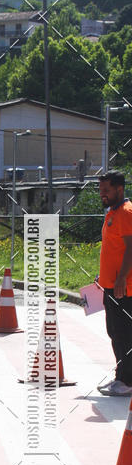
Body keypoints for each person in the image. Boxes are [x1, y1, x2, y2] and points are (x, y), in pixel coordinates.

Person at [97, 170, 132, 396]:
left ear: (120, 189)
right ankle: (121, 377)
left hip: (123, 287)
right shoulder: (113, 212)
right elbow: (113, 250)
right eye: (100, 190)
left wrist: (121, 278)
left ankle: (127, 381)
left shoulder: (126, 213)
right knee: (115, 332)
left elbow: (131, 247)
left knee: (124, 334)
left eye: (106, 190)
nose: (102, 195)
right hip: (111, 284)